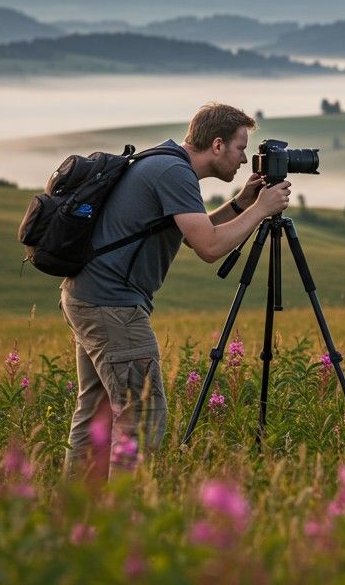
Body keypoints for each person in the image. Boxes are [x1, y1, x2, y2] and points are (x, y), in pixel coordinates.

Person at [59, 102, 291, 473]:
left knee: (97, 416)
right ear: (217, 145)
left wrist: (243, 204)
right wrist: (261, 210)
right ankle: (122, 517)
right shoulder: (174, 173)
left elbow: (194, 233)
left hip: (89, 298)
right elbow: (209, 247)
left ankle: (77, 512)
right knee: (144, 415)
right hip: (113, 307)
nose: (245, 159)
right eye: (240, 147)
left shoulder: (165, 161)